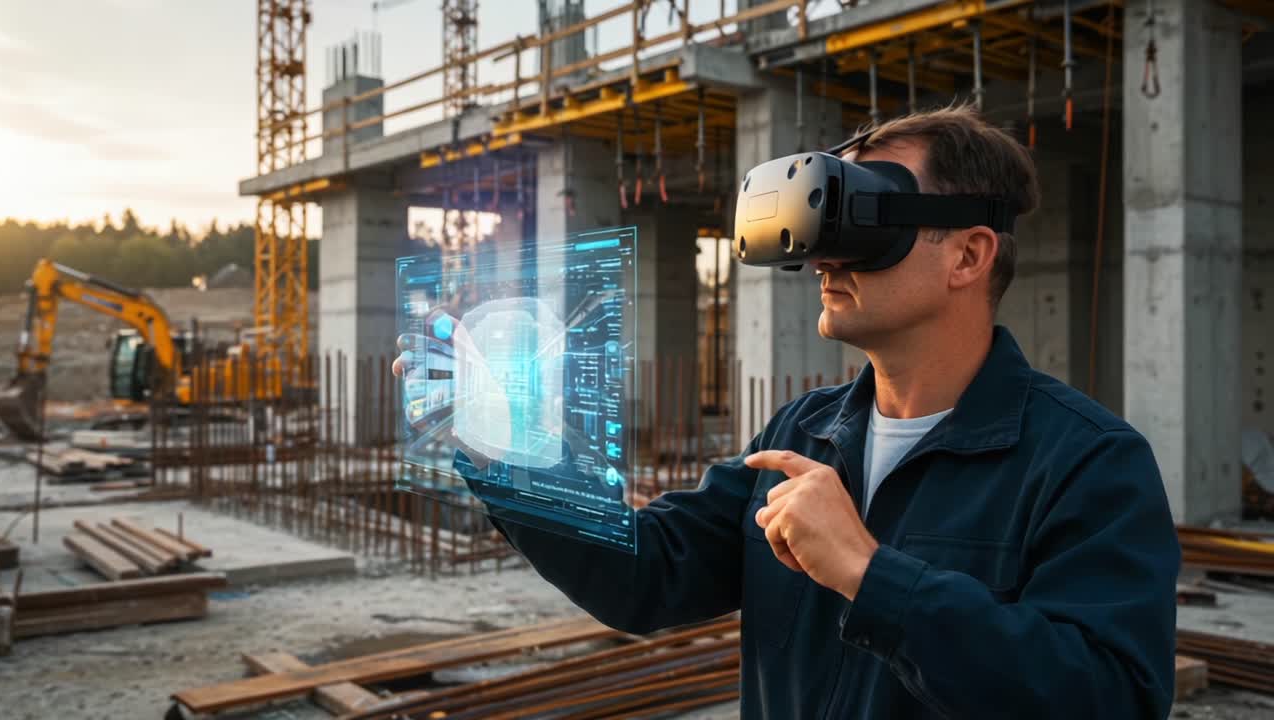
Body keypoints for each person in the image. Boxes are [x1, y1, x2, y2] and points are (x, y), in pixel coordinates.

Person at [393, 105, 1181, 719]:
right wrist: (502, 448)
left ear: (969, 255)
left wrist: (871, 577)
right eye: (822, 224)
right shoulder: (804, 433)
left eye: (864, 220)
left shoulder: (1085, 463)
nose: (824, 258)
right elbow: (648, 575)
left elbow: (1109, 699)